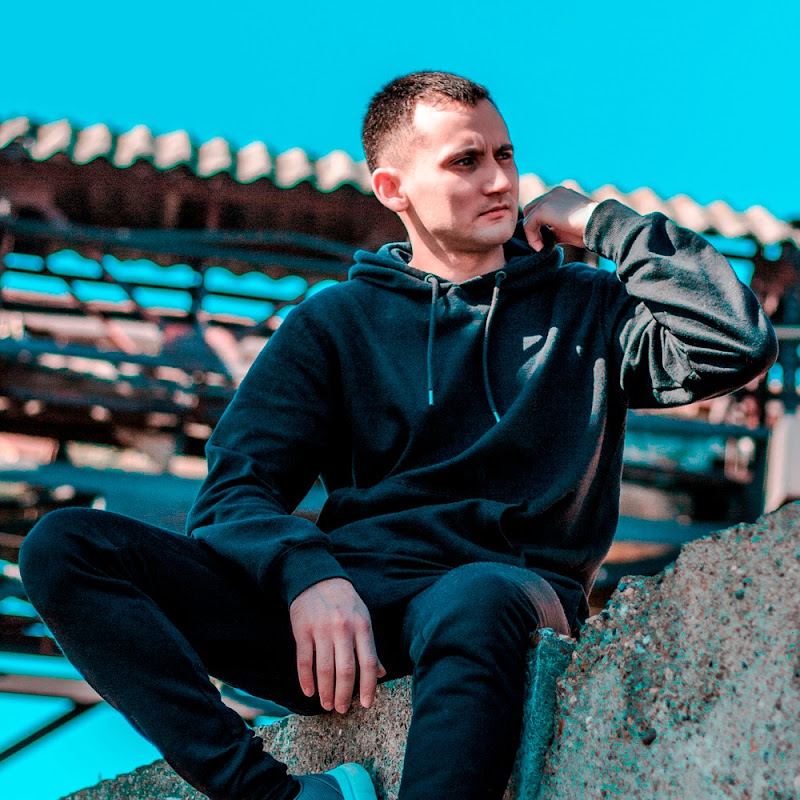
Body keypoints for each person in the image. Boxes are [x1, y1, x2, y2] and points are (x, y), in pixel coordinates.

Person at [19, 71, 778, 800]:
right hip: (347, 625)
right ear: (393, 189)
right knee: (65, 547)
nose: (500, 181)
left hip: (503, 599)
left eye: (505, 154)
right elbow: (234, 494)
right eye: (466, 161)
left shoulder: (585, 307)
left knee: (476, 594)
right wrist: (308, 576)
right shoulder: (335, 322)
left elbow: (736, 342)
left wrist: (601, 222)